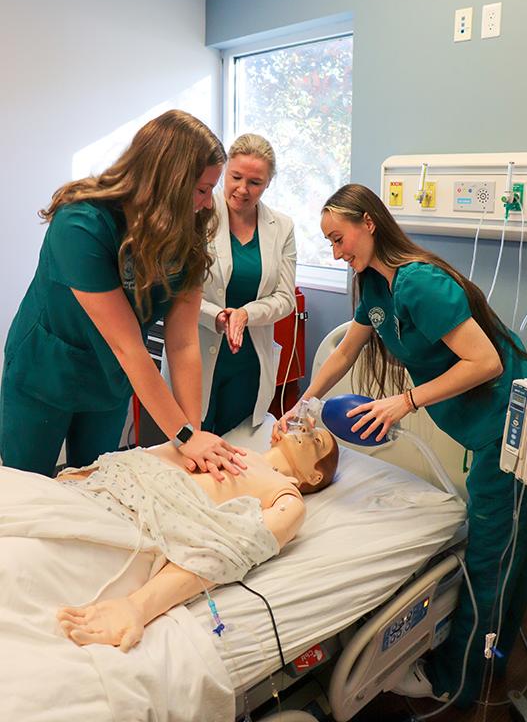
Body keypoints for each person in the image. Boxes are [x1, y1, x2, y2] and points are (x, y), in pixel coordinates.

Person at [274, 183, 527, 708]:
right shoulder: (373, 286)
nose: (336, 252)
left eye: (339, 238)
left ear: (369, 222)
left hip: (508, 422)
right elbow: (347, 349)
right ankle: (492, 652)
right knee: (507, 543)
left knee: (492, 553)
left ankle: (457, 682)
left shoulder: (420, 283)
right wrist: (303, 403)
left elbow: (485, 363)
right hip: (482, 425)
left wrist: (404, 401)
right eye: (329, 243)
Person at [0, 110, 245, 479]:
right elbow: (126, 345)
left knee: (100, 486)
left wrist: (190, 435)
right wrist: (182, 435)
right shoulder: (81, 223)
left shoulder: (187, 230)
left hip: (109, 381)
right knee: (27, 493)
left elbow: (182, 344)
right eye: (201, 189)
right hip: (46, 374)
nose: (210, 203)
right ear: (168, 182)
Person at [54, 426, 339, 652]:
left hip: (121, 520)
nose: (307, 432)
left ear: (314, 477)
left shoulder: (287, 496)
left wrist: (138, 607)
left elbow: (227, 549)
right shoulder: (233, 449)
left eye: (317, 442)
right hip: (80, 487)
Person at [166, 133, 296, 436]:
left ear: (268, 184)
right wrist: (218, 316)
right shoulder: (198, 214)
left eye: (255, 182)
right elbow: (177, 290)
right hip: (196, 353)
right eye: (235, 177)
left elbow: (285, 298)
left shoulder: (282, 227)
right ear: (225, 172)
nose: (242, 189)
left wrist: (246, 314)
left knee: (237, 453)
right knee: (190, 447)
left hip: (248, 363)